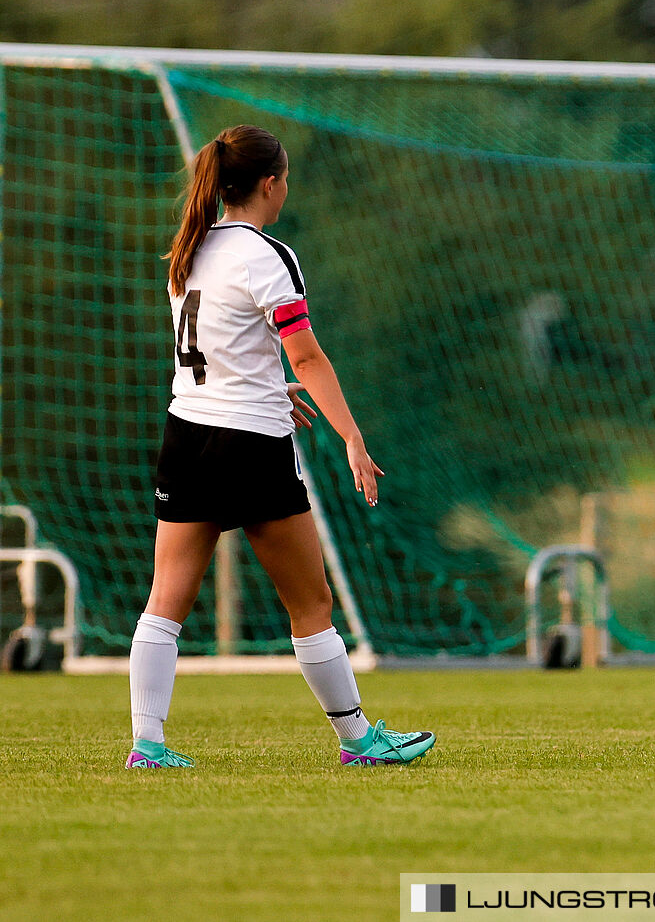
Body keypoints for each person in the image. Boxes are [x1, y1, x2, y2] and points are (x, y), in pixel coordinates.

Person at [130, 124, 431, 770]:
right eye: (285, 179)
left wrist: (271, 387)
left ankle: (147, 746)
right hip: (251, 446)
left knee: (165, 601)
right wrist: (351, 434)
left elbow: (219, 352)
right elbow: (307, 353)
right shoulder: (267, 255)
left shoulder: (191, 248)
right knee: (311, 604)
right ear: (271, 184)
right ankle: (359, 743)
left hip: (186, 437)